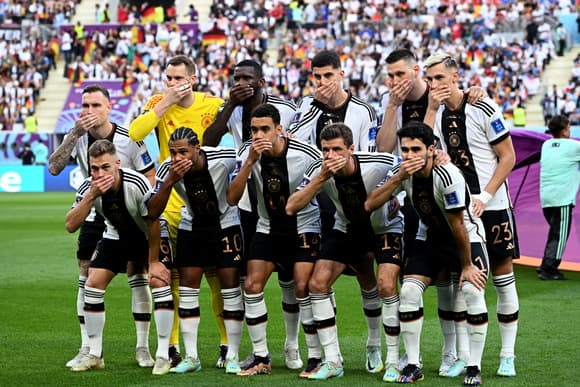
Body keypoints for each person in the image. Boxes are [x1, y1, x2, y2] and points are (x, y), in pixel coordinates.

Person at [377, 49, 487, 376]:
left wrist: (472, 92)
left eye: (400, 74)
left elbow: (454, 108)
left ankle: (459, 356)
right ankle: (423, 359)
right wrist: (392, 106)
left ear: (416, 71)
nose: (395, 81)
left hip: (449, 195)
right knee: (430, 281)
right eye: (390, 76)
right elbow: (384, 149)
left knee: (457, 282)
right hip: (416, 203)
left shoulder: (435, 94)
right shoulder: (392, 103)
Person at [364, 121, 489, 386]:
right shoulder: (403, 172)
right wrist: (397, 178)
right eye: (405, 150)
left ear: (431, 149)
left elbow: (457, 224)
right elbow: (370, 203)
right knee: (409, 291)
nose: (409, 155)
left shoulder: (448, 176)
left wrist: (466, 266)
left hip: (465, 236)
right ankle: (412, 363)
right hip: (429, 236)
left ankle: (474, 366)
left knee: (471, 290)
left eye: (415, 149)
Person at [287, 51, 385, 376]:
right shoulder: (306, 107)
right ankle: (328, 358)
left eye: (328, 76)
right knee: (317, 282)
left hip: (361, 206)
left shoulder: (364, 110)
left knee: (366, 275)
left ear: (341, 74)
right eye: (316, 77)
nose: (322, 83)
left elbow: (371, 159)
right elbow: (294, 143)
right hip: (323, 202)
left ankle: (374, 346)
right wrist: (313, 107)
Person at [423, 53, 520, 378]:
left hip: (491, 206)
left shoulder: (483, 105)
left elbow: (508, 157)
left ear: (454, 77)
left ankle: (508, 354)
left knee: (502, 277)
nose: (433, 85)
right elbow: (422, 149)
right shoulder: (432, 113)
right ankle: (464, 356)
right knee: (462, 280)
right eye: (429, 79)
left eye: (438, 78)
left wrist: (486, 195)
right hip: (457, 211)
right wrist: (432, 109)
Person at [129, 55, 228, 368]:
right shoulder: (158, 102)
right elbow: (135, 133)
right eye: (168, 78)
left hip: (206, 205)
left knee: (215, 276)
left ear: (193, 78)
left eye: (177, 78)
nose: (171, 84)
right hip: (170, 204)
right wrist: (164, 103)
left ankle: (226, 344)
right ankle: (172, 346)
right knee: (171, 277)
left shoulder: (212, 104)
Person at [203, 60, 302, 370]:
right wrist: (231, 102)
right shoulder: (229, 108)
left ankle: (291, 344)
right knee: (250, 278)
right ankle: (258, 351)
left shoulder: (284, 109)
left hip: (286, 201)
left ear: (261, 81)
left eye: (247, 78)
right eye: (236, 78)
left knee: (290, 279)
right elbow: (209, 140)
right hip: (248, 200)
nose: (241, 82)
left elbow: (297, 149)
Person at [49, 84, 156, 370]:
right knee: (86, 274)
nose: (89, 112)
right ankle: (88, 347)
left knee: (138, 274)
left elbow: (150, 176)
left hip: (131, 212)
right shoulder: (79, 139)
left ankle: (143, 347)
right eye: (85, 106)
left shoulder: (129, 139)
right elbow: (54, 168)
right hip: (96, 210)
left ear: (109, 108)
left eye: (96, 105)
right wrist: (73, 134)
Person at [286, 123, 403, 380]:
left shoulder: (378, 163)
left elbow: (409, 167)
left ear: (351, 149)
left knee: (384, 285)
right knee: (317, 284)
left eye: (337, 149)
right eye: (325, 150)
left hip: (383, 227)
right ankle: (333, 361)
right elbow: (291, 207)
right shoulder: (319, 170)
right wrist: (321, 178)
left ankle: (386, 354)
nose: (330, 156)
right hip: (347, 227)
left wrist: (399, 197)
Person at [226, 104, 322, 377]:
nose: (259, 135)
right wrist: (249, 163)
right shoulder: (247, 152)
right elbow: (232, 198)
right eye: (254, 130)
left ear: (280, 129)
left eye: (265, 129)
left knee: (301, 287)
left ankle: (302, 350)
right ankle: (261, 356)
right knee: (253, 285)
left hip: (304, 226)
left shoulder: (305, 154)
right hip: (267, 226)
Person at [147, 127, 244, 374]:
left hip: (225, 223)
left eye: (183, 152)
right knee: (188, 288)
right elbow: (153, 211)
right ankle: (191, 357)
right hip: (192, 224)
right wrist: (170, 180)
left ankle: (232, 354)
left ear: (197, 149)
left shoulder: (224, 158)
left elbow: (247, 159)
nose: (177, 158)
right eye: (173, 152)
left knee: (230, 287)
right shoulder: (167, 169)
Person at [64, 140, 159, 372]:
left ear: (117, 163)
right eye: (95, 168)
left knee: (139, 277)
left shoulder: (136, 182)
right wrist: (91, 194)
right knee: (92, 284)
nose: (100, 173)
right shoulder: (88, 186)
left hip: (143, 236)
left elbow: (154, 221)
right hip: (115, 235)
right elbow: (70, 225)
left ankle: (143, 347)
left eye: (105, 167)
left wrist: (154, 260)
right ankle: (95, 354)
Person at [538, 115, 580, 280]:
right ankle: (549, 268)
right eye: (568, 127)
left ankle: (545, 264)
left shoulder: (546, 144)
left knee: (555, 233)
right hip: (562, 198)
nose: (570, 130)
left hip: (546, 199)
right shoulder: (573, 146)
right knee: (560, 235)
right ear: (563, 131)